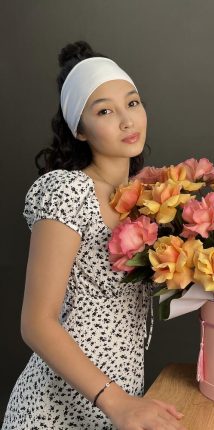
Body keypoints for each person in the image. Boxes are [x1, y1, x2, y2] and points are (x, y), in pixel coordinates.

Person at [2, 41, 186, 430]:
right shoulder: (68, 191)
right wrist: (118, 403)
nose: (127, 121)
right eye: (105, 111)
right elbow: (36, 322)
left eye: (132, 103)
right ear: (79, 130)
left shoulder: (146, 201)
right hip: (54, 412)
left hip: (118, 407)